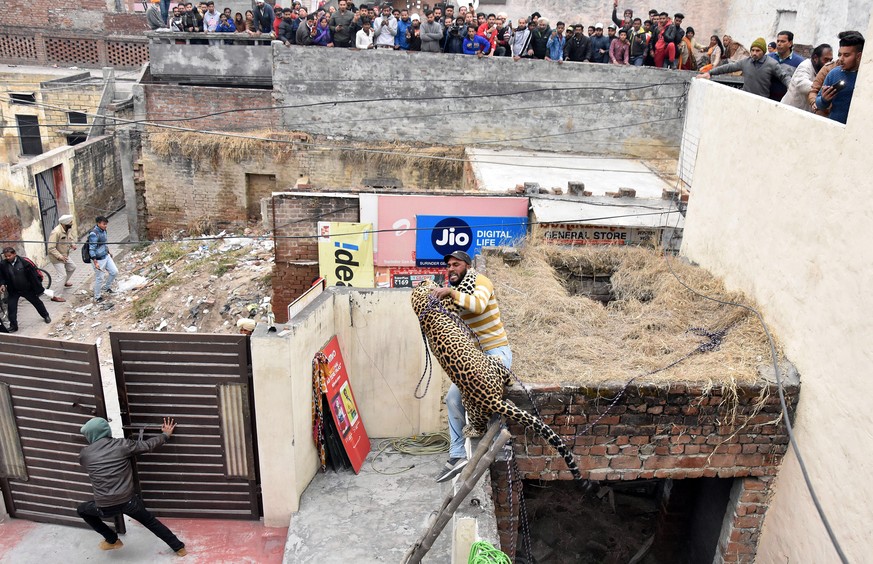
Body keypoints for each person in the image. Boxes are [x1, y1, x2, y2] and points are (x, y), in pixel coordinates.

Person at [430, 251, 512, 483]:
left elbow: (477, 305)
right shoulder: (458, 293)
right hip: (476, 357)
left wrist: (449, 292)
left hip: (497, 352)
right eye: (448, 266)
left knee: (486, 397)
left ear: (467, 266)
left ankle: (502, 446)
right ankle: (457, 455)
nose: (451, 269)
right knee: (453, 399)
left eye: (456, 265)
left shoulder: (481, 282)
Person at [77, 417, 186, 556]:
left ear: (90, 435)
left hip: (105, 506)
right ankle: (179, 548)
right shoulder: (123, 445)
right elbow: (148, 445)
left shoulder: (85, 455)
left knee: (82, 510)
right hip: (129, 502)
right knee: (151, 522)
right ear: (106, 431)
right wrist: (165, 435)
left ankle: (112, 539)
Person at [699, 37, 792, 98]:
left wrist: (790, 86)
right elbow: (728, 68)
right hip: (745, 98)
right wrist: (709, 73)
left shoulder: (772, 63)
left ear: (763, 52)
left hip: (762, 102)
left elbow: (783, 76)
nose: (754, 53)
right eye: (752, 50)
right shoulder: (745, 62)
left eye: (758, 50)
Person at [815, 31, 864, 124]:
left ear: (859, 56)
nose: (841, 59)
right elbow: (819, 104)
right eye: (839, 54)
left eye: (846, 55)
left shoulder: (866, 77)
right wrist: (824, 99)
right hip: (834, 127)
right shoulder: (833, 73)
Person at [0, 247, 51, 331]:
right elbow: (1, 276)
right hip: (13, 291)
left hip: (27, 289)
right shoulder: (3, 264)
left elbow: (35, 274)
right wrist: (2, 284)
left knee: (37, 303)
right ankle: (13, 326)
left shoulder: (24, 262)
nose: (8, 258)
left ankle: (45, 315)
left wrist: (37, 286)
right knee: (11, 308)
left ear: (14, 254)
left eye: (9, 256)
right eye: (6, 256)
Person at [782, 43, 832, 111]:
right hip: (789, 111)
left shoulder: (825, 71)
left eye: (830, 60)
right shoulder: (805, 65)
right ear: (815, 58)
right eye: (826, 60)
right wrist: (822, 89)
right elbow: (802, 84)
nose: (828, 63)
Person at [768, 30, 806, 100]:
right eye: (778, 41)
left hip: (786, 102)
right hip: (767, 99)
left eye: (782, 41)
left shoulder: (799, 62)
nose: (779, 44)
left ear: (790, 43)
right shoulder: (769, 58)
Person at [88, 216, 117, 303]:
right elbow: (91, 249)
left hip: (106, 256)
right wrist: (95, 262)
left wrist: (108, 251)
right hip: (98, 259)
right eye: (104, 224)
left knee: (114, 272)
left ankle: (106, 287)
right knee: (99, 278)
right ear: (99, 223)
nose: (105, 226)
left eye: (106, 224)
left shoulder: (104, 231)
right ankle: (97, 297)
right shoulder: (94, 234)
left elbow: (104, 243)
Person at [47, 214, 76, 303]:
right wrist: (60, 257)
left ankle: (64, 282)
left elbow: (69, 239)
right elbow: (51, 247)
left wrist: (72, 244)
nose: (72, 223)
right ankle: (55, 296)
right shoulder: (56, 232)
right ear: (65, 223)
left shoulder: (68, 229)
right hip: (56, 257)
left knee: (72, 267)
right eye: (70, 222)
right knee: (62, 275)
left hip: (65, 255)